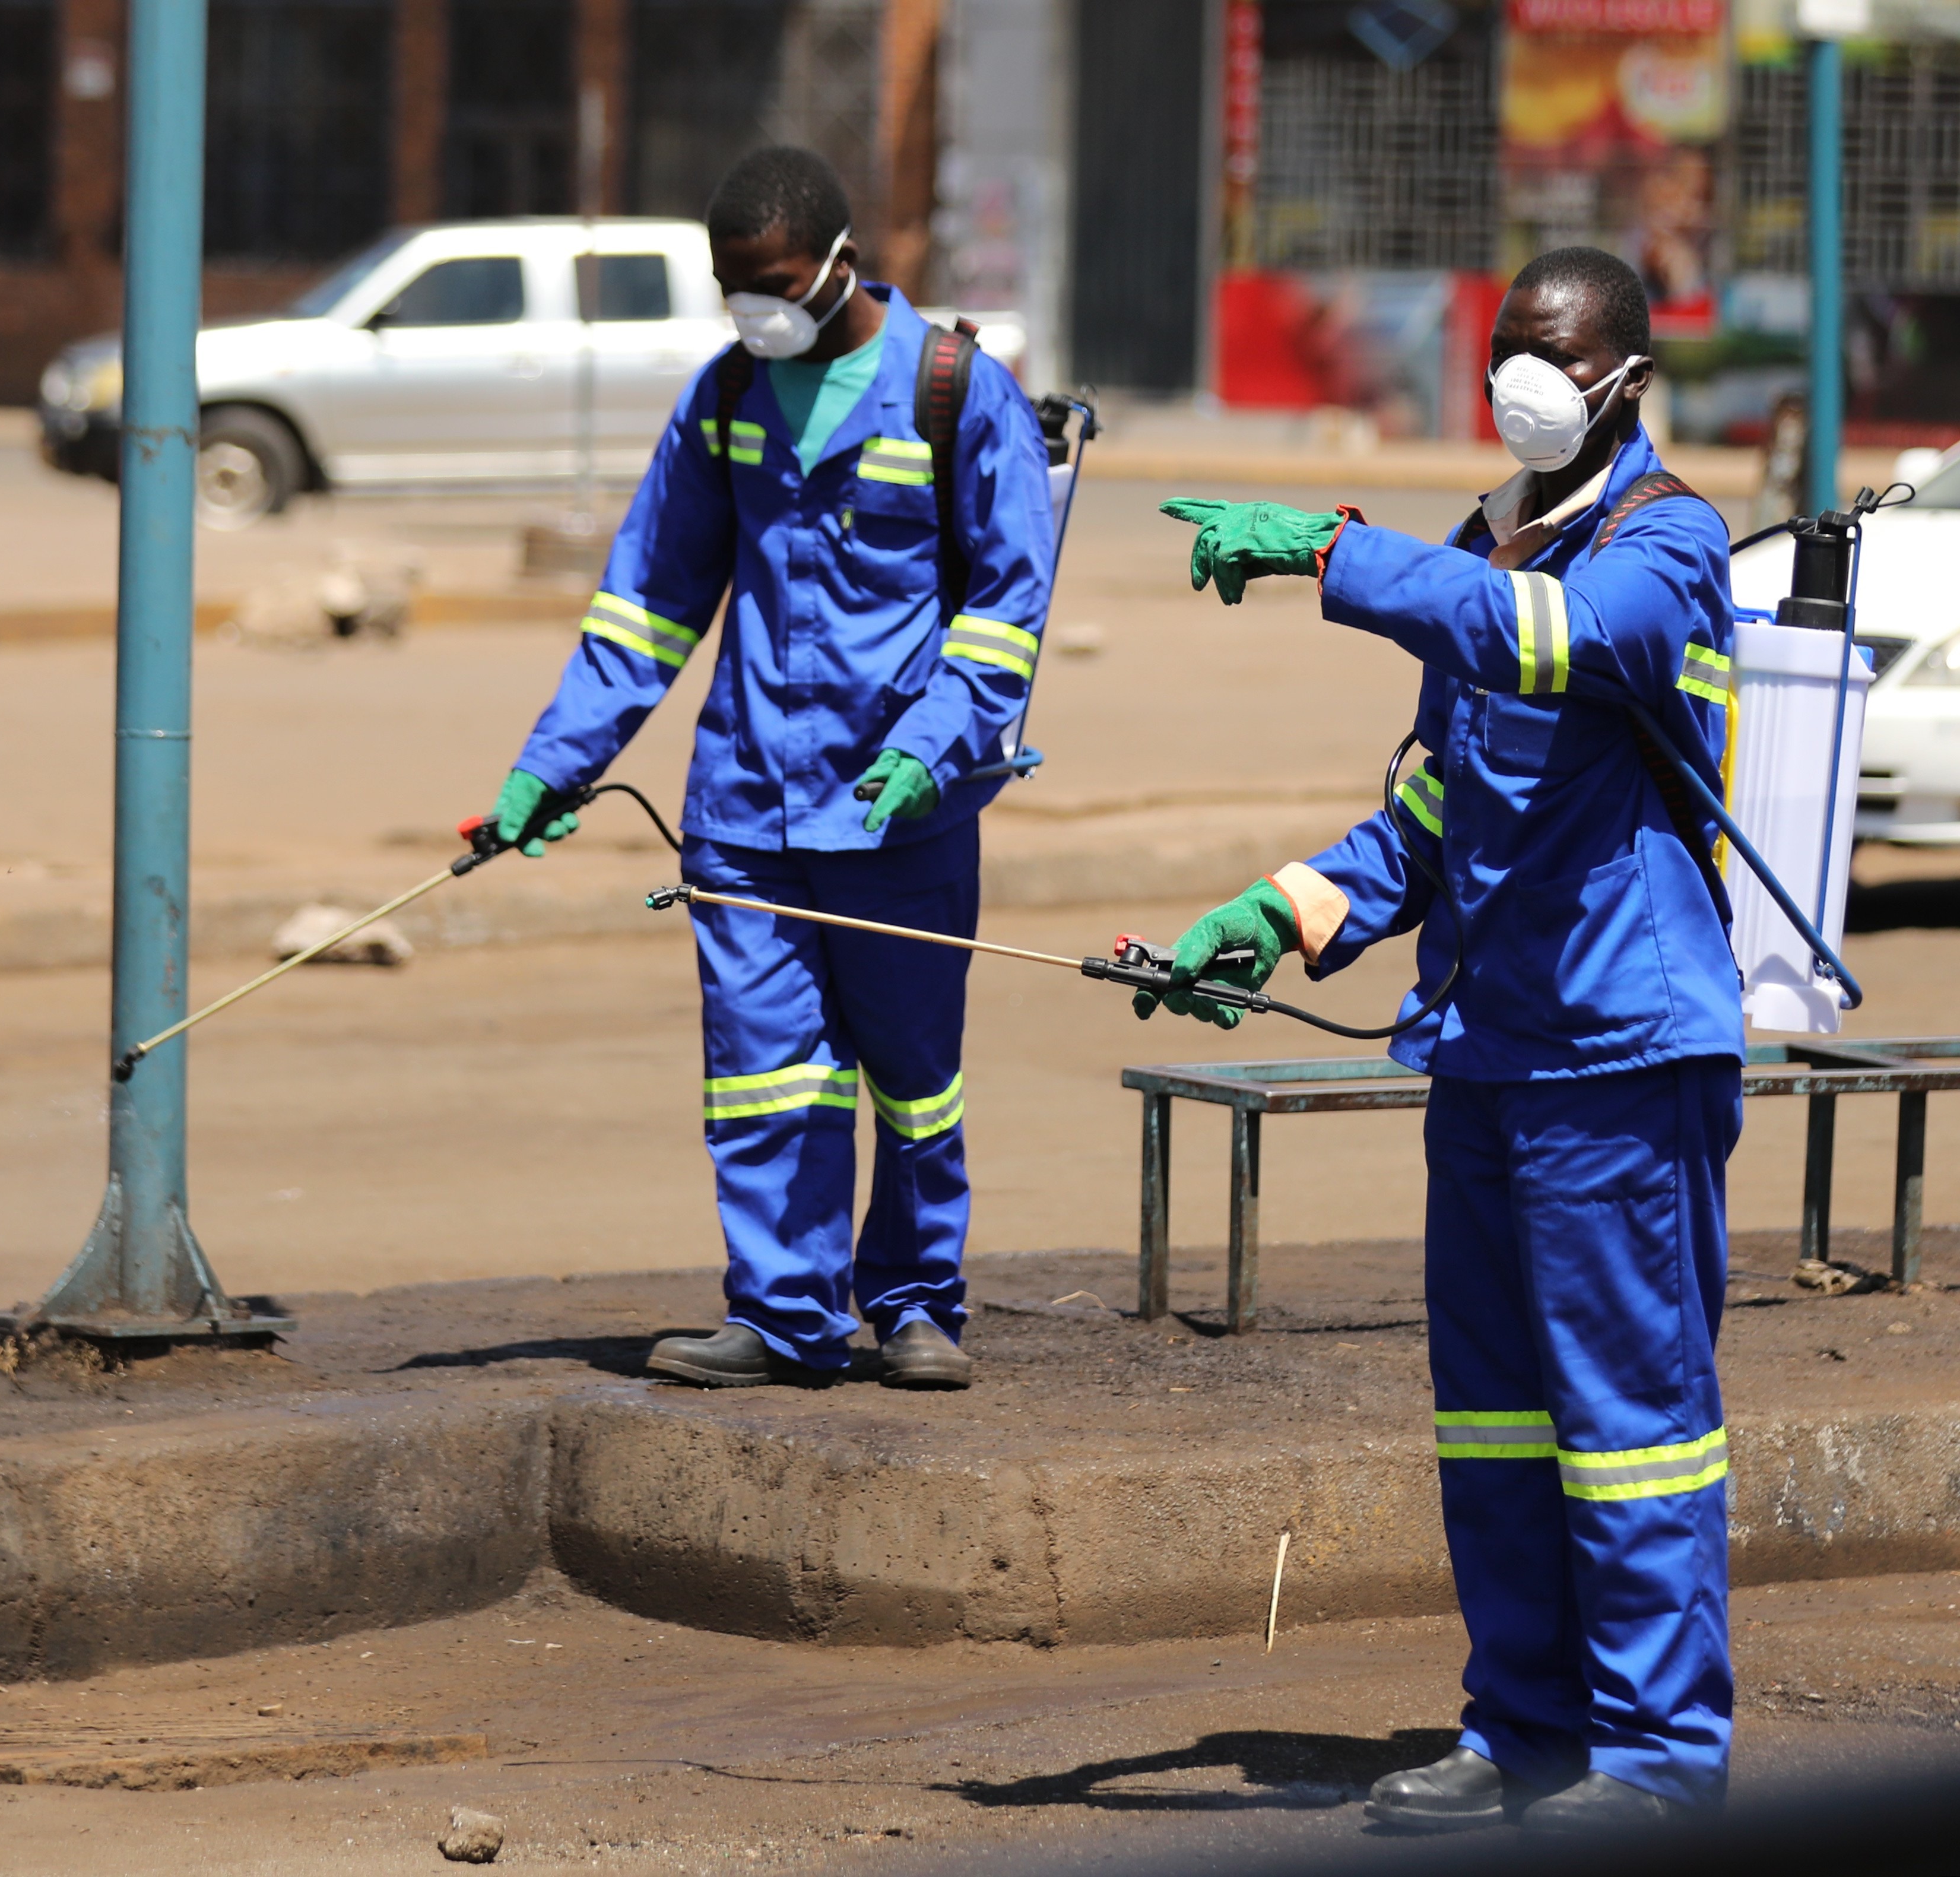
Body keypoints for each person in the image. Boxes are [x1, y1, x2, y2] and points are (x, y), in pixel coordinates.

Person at [1148, 247, 1739, 1830]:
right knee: (1493, 1422)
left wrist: (1334, 549)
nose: (1523, 375)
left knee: (1631, 1433)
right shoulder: (1492, 535)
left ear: (1626, 376)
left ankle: (1663, 1765)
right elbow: (1431, 805)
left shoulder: (1665, 544)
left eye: (1555, 352)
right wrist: (1283, 911)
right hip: (1487, 1051)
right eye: (1507, 347)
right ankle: (1526, 1728)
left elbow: (1547, 640)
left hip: (1617, 1050)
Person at [484, 147, 1055, 1390]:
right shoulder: (726, 397)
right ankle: (783, 1312)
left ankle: (912, 1305)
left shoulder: (956, 390)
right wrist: (551, 767)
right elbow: (646, 604)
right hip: (745, 803)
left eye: (776, 283)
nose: (756, 308)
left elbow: (1008, 611)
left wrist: (929, 750)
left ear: (843, 263)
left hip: (901, 810)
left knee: (911, 1077)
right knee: (763, 1077)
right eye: (733, 286)